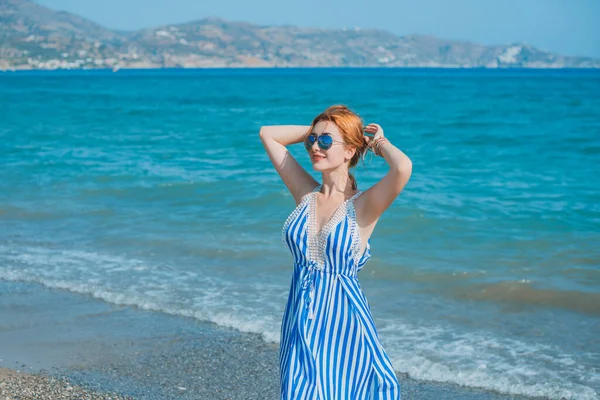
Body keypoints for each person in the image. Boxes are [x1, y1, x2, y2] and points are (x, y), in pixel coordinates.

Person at [259, 105, 412, 399]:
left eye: (326, 142)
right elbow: (269, 134)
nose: (315, 147)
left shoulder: (364, 205)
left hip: (344, 326)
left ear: (350, 151)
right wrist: (323, 131)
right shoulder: (306, 195)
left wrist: (377, 143)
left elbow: (402, 168)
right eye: (312, 141)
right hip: (300, 319)